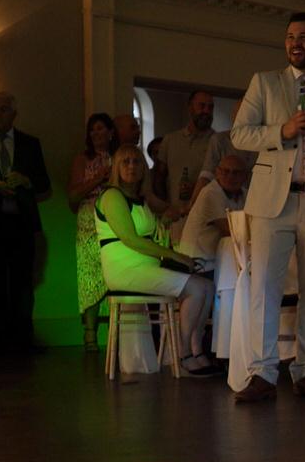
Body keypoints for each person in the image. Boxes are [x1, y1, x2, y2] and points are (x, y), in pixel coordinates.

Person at [229, 12, 305, 402]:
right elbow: (239, 134)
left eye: (303, 37)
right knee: (265, 287)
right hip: (274, 200)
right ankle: (263, 373)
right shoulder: (265, 83)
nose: (295, 43)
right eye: (289, 37)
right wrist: (280, 131)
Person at [95, 146, 214, 376]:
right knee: (197, 289)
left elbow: (154, 229)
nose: (131, 166)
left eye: (137, 162)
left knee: (207, 287)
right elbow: (130, 239)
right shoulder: (112, 196)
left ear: (144, 168)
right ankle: (182, 354)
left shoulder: (140, 199)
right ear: (116, 168)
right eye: (125, 162)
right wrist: (174, 256)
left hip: (146, 267)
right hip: (126, 270)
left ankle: (196, 348)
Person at [0, 91, 51, 354]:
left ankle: (23, 341)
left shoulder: (30, 144)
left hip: (22, 223)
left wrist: (26, 181)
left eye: (3, 109)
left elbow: (45, 185)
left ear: (14, 114)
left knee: (23, 284)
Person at [69, 113, 117, 347]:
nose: (97, 133)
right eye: (93, 129)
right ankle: (90, 332)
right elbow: (73, 196)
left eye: (101, 128)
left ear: (111, 132)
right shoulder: (82, 159)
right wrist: (98, 178)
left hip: (114, 220)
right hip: (89, 221)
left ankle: (117, 332)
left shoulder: (119, 158)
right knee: (90, 276)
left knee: (114, 273)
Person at [151, 90, 217, 217]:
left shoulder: (217, 142)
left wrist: (197, 190)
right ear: (190, 108)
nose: (206, 111)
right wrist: (165, 207)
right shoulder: (170, 140)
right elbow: (159, 177)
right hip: (175, 215)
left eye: (210, 107)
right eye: (202, 106)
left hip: (205, 215)